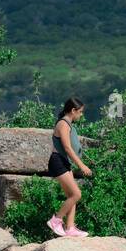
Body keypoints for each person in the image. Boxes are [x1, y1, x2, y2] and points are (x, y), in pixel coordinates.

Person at [47, 97, 92, 237]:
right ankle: (56, 220)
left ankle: (70, 227)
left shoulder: (68, 124)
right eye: (80, 112)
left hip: (64, 162)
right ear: (73, 110)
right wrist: (81, 165)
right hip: (58, 162)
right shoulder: (63, 124)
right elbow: (67, 147)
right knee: (77, 194)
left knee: (71, 196)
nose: (81, 114)